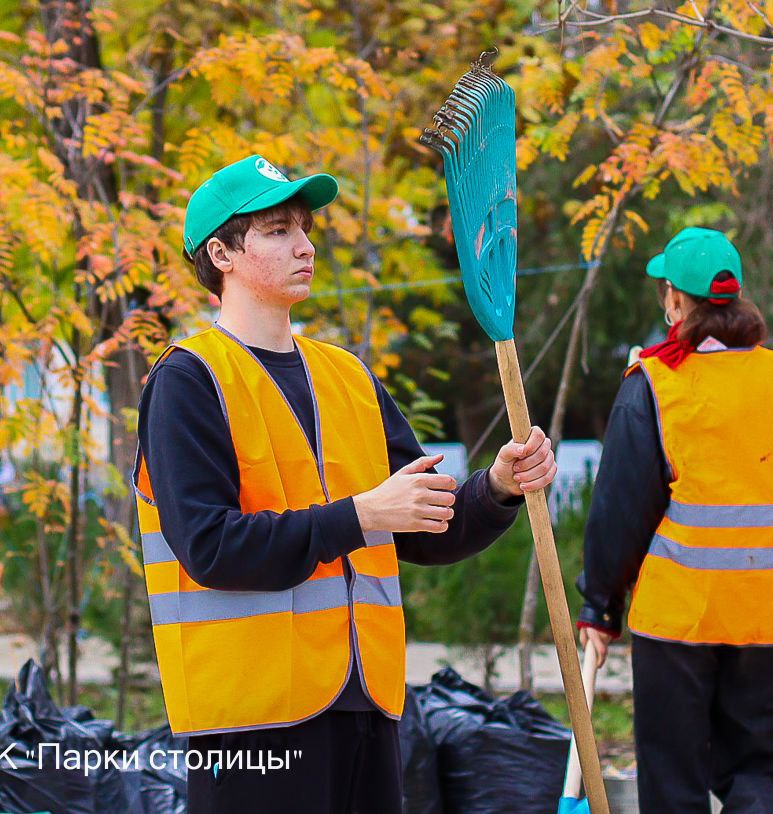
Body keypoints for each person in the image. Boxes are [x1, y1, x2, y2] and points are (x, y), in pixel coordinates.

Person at [132, 155, 558, 814]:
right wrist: (359, 516)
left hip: (367, 708)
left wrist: (496, 489)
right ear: (221, 252)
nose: (304, 245)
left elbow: (423, 525)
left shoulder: (348, 378)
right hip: (253, 722)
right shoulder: (189, 380)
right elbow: (210, 548)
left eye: (303, 228)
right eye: (277, 231)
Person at [575, 227, 773, 814]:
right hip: (769, 619)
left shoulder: (655, 388)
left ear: (675, 301)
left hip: (678, 624)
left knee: (673, 780)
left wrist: (601, 607)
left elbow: (619, 513)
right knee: (759, 775)